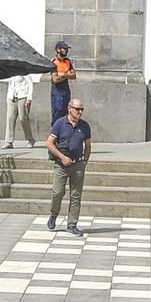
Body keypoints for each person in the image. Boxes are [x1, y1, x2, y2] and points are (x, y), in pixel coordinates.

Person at [46, 95, 91, 235]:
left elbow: (88, 145)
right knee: (57, 192)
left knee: (76, 196)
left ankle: (72, 224)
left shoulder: (84, 126)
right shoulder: (60, 123)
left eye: (81, 109)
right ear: (69, 109)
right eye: (77, 109)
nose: (80, 112)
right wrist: (62, 157)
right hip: (61, 164)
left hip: (77, 164)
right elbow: (49, 143)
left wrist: (84, 161)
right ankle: (54, 215)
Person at [5, 71, 36, 150]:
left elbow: (30, 84)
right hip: (11, 98)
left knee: (23, 118)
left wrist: (29, 98)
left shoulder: (24, 70)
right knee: (10, 118)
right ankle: (9, 141)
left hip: (23, 97)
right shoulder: (11, 71)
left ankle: (30, 139)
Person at [49, 43, 76, 126]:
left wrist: (62, 75)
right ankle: (54, 134)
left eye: (66, 48)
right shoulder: (54, 62)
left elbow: (74, 76)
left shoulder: (68, 61)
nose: (66, 50)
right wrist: (67, 74)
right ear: (58, 50)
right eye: (64, 48)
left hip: (66, 91)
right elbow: (55, 79)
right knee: (57, 113)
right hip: (57, 92)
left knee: (65, 113)